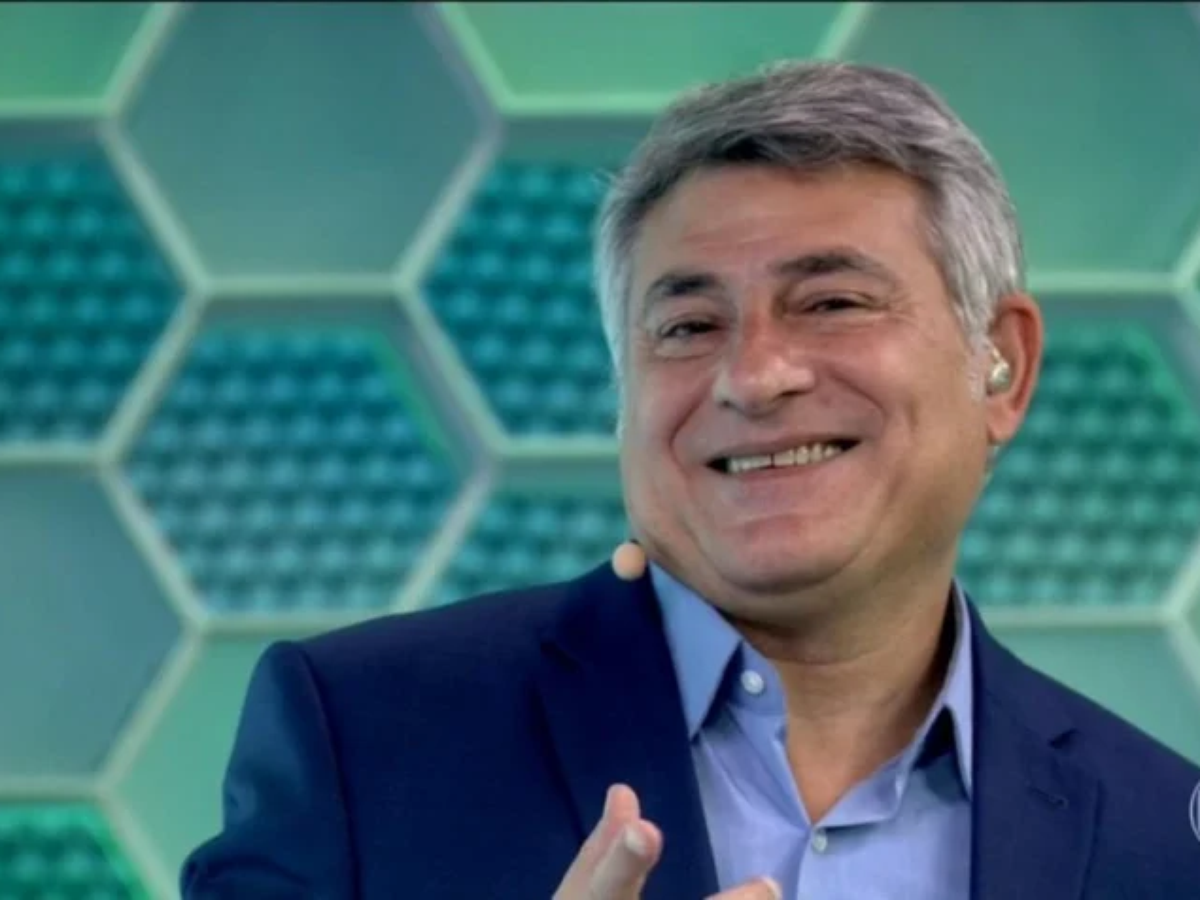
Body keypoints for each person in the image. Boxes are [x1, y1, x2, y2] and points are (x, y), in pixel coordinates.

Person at [181, 61, 1200, 899]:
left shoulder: (1162, 837)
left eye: (832, 303)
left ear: (1002, 364)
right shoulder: (366, 739)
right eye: (688, 325)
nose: (753, 376)